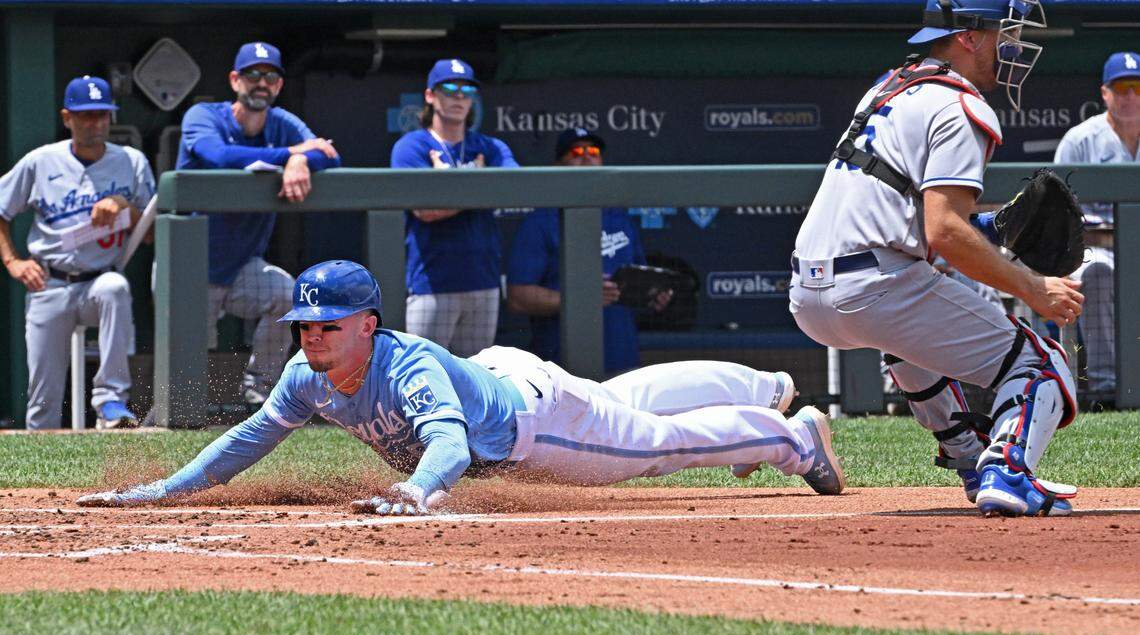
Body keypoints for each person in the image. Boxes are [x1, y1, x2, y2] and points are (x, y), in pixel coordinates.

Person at [76, 260, 842, 514]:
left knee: (652, 445)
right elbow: (247, 440)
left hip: (533, 425)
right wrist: (165, 489)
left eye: (329, 326)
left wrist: (417, 490)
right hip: (507, 377)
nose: (311, 339)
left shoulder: (404, 364)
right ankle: (764, 387)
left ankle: (792, 434)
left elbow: (447, 440)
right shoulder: (305, 375)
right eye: (305, 327)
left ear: (368, 324)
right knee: (623, 405)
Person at [790, 0, 1084, 517]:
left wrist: (989, 229)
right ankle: (1009, 471)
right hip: (874, 286)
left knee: (912, 341)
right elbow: (943, 231)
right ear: (968, 37)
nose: (1010, 47)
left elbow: (920, 217)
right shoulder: (961, 105)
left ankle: (970, 457)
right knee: (1041, 363)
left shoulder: (890, 87)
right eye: (1002, 33)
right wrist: (1034, 288)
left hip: (808, 292)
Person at [176, 41, 341, 404]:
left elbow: (329, 153)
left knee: (288, 296)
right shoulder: (203, 115)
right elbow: (217, 156)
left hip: (242, 267)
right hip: (189, 264)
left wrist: (299, 162)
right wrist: (291, 154)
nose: (261, 83)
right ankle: (167, 417)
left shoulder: (282, 124)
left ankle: (258, 386)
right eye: (253, 75)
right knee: (183, 373)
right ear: (235, 80)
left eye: (270, 76)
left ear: (279, 86)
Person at [0, 76, 154, 429]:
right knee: (42, 403)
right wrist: (13, 261)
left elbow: (149, 235)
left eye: (102, 115)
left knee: (116, 287)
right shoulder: (41, 161)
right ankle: (38, 482)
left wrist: (123, 206)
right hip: (49, 281)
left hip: (98, 280)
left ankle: (111, 400)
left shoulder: (131, 161)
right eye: (86, 116)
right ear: (67, 117)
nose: (95, 123)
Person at [507, 128, 671, 375]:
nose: (586, 156)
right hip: (562, 368)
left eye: (593, 151)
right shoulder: (540, 222)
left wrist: (653, 295)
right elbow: (518, 297)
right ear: (557, 166)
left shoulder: (619, 218)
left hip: (622, 361)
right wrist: (581, 300)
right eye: (576, 152)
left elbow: (637, 281)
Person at [391, 58, 518, 357]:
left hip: (483, 282)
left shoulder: (490, 146)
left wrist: (447, 184)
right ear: (431, 96)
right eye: (449, 88)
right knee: (423, 375)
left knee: (475, 381)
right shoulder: (412, 146)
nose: (459, 96)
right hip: (432, 283)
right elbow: (425, 210)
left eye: (466, 89)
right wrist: (478, 180)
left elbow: (512, 189)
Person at [1052, 51, 1139, 396]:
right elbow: (1056, 210)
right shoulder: (1080, 139)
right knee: (1097, 273)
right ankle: (1107, 383)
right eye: (1121, 87)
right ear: (1105, 93)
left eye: (1137, 86)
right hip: (1095, 248)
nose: (1131, 95)